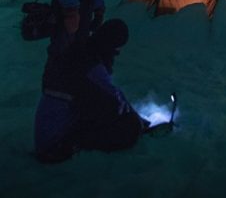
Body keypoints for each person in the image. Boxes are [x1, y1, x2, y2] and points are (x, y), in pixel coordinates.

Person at [34, 19, 146, 163]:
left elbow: (111, 94)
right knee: (127, 130)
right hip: (55, 146)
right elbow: (113, 100)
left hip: (51, 135)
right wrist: (136, 122)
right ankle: (78, 144)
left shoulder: (80, 53)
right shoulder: (91, 66)